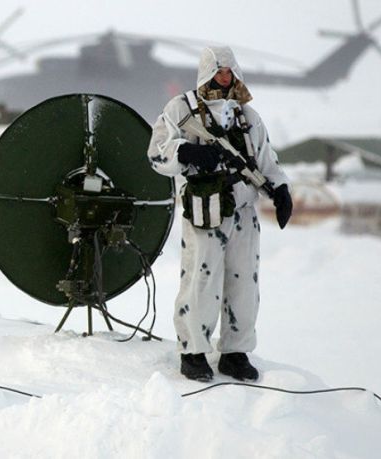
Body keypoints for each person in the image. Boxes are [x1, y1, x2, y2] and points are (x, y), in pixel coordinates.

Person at [147, 46, 293, 382]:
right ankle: (193, 350)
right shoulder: (182, 109)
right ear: (207, 72)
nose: (224, 78)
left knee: (244, 283)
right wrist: (189, 151)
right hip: (206, 209)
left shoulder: (246, 116)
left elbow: (266, 159)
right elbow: (157, 152)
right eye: (218, 71)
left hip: (243, 210)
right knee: (201, 279)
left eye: (229, 72)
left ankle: (235, 352)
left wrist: (281, 189)